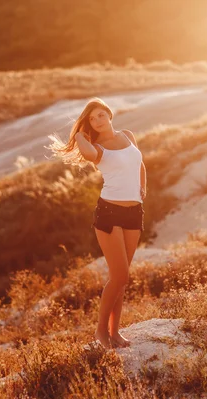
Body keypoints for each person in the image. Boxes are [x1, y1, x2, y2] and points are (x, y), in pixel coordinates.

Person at [47, 97, 147, 349]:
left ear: (109, 114)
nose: (97, 121)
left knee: (121, 279)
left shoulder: (128, 136)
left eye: (101, 115)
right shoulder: (97, 147)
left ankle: (116, 332)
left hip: (134, 212)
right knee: (120, 274)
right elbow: (89, 153)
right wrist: (81, 134)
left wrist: (142, 188)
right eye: (91, 119)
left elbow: (140, 164)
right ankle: (101, 331)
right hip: (109, 213)